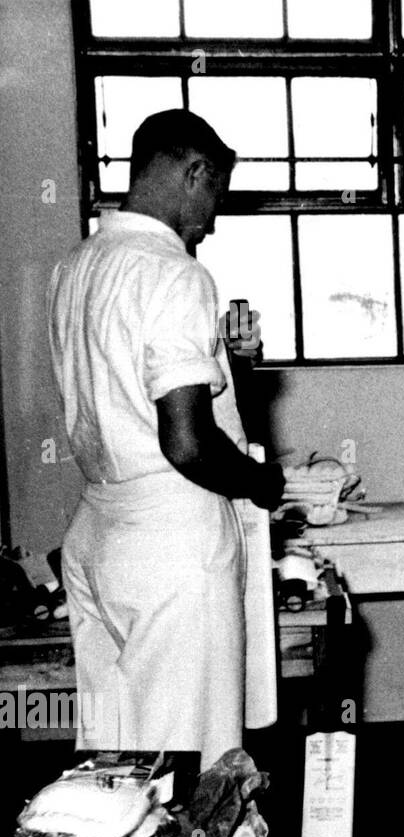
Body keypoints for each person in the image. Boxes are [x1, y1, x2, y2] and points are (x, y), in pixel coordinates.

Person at [48, 109, 284, 769]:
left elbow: (122, 392)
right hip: (171, 543)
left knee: (118, 763)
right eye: (213, 196)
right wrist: (261, 481)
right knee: (197, 765)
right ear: (193, 172)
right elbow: (186, 442)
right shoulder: (174, 273)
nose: (211, 218)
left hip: (97, 532)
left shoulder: (76, 267)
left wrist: (236, 368)